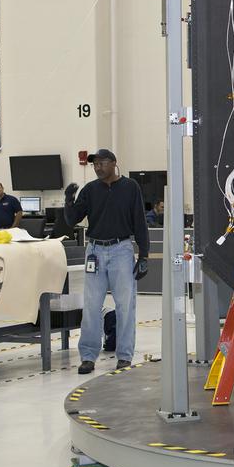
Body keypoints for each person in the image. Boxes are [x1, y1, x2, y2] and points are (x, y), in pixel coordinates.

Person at [64, 149, 149, 374]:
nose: (98, 167)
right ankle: (88, 356)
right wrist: (68, 201)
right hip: (95, 251)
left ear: (113, 163)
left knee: (125, 306)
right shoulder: (90, 190)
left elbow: (140, 221)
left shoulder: (130, 187)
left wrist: (144, 255)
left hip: (121, 249)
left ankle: (124, 355)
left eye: (102, 163)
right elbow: (73, 220)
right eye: (95, 165)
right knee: (91, 306)